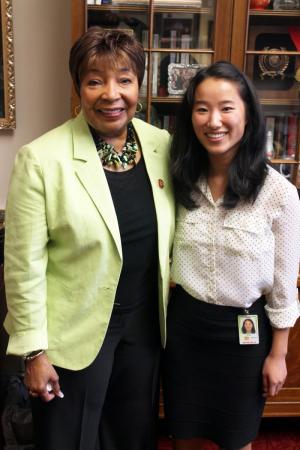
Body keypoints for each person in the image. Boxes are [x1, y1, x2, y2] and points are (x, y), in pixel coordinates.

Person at [3, 27, 174, 450]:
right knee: (69, 440)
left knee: (132, 438)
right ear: (79, 86)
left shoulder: (161, 145)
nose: (111, 94)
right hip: (71, 336)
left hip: (144, 332)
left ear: (140, 83)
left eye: (124, 79)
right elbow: (23, 267)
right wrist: (33, 352)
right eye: (95, 80)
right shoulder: (42, 159)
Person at [163, 61, 300, 450]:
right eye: (202, 108)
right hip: (185, 329)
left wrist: (279, 354)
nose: (214, 120)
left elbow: (284, 285)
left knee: (237, 440)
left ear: (247, 114)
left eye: (226, 108)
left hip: (244, 334)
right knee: (182, 435)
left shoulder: (279, 194)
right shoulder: (179, 181)